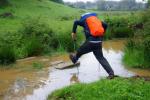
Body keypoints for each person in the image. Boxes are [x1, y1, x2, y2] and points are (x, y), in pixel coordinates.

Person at [69, 12, 115, 79]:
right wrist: (102, 34)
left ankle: (74, 59)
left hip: (90, 41)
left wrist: (73, 32)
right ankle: (111, 73)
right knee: (101, 58)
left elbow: (76, 22)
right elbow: (105, 25)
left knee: (80, 50)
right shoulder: (97, 20)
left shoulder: (83, 20)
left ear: (83, 17)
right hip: (99, 42)